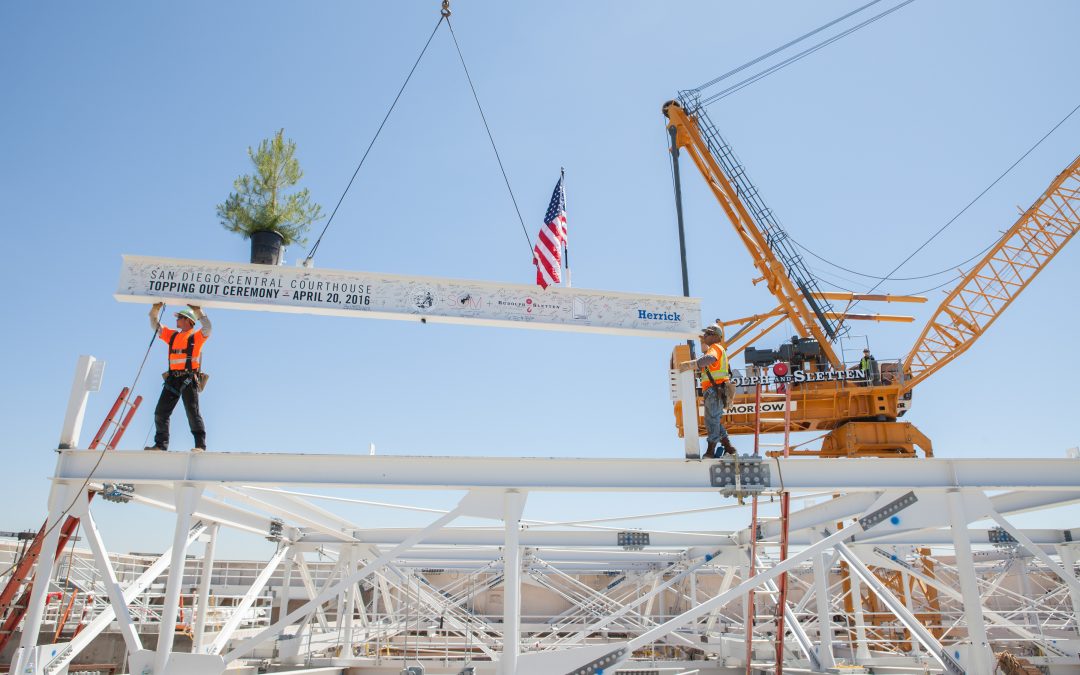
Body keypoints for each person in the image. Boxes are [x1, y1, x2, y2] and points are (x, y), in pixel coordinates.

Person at [145, 303, 211, 451]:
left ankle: (200, 445)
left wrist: (198, 311)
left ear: (188, 320)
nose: (176, 320)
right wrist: (155, 310)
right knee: (160, 412)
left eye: (179, 317)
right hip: (173, 379)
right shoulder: (172, 336)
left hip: (188, 379)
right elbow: (155, 325)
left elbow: (208, 328)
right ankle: (161, 445)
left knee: (192, 412)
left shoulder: (196, 337)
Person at [678, 325, 736, 458]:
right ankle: (729, 447)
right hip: (716, 390)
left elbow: (710, 359)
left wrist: (691, 364)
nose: (704, 337)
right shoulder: (717, 348)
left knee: (711, 421)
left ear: (715, 336)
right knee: (714, 420)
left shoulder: (715, 348)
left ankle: (711, 449)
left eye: (707, 335)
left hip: (714, 390)